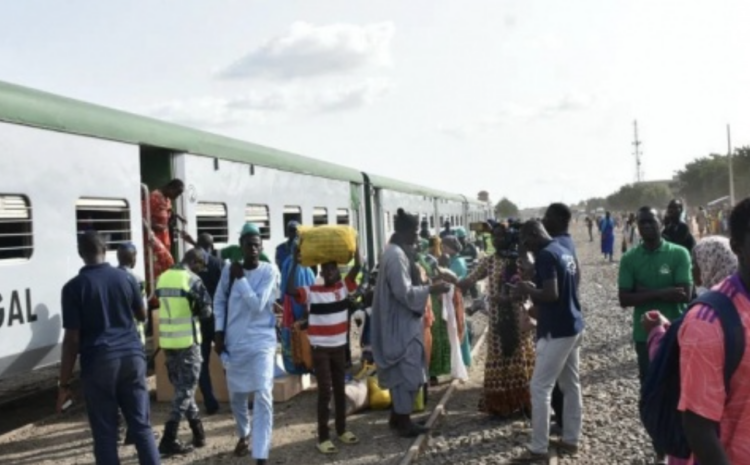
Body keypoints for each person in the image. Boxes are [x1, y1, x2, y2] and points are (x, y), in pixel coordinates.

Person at [58, 232, 160, 465]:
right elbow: (142, 315)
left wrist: (64, 384)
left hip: (99, 363)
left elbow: (72, 339)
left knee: (105, 435)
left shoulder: (73, 288)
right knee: (141, 427)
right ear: (105, 250)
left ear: (80, 253)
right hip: (132, 359)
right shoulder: (126, 279)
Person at [618, 206, 692, 464]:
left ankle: (683, 444)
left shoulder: (679, 253)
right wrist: (663, 292)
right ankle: (660, 447)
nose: (646, 226)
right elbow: (624, 298)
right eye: (642, 222)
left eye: (651, 221)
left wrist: (644, 291)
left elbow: (684, 293)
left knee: (682, 389)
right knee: (651, 392)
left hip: (678, 333)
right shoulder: (630, 258)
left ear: (661, 223)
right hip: (644, 336)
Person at [371, 208, 451, 438]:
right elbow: (404, 293)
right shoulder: (396, 256)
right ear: (405, 231)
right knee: (407, 372)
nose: (418, 238)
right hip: (399, 324)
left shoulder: (396, 251)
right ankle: (403, 423)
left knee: (408, 370)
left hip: (403, 322)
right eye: (415, 232)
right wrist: (431, 289)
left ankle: (398, 418)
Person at [443, 222, 536, 418]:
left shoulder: (521, 260)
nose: (496, 240)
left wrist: (509, 298)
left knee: (518, 357)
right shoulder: (490, 261)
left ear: (510, 238)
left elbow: (531, 285)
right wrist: (450, 278)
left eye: (501, 236)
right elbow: (469, 280)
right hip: (496, 322)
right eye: (494, 236)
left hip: (517, 321)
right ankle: (501, 405)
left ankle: (524, 403)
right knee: (498, 360)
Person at [516, 220, 584, 460]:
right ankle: (571, 439)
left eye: (526, 241)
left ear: (535, 234)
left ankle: (538, 447)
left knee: (539, 387)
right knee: (570, 384)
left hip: (557, 329)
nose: (527, 247)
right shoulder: (563, 250)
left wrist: (526, 288)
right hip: (573, 324)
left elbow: (551, 293)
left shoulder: (545, 255)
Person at [214, 223, 279, 465]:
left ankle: (260, 455)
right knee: (237, 397)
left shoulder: (268, 271)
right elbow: (219, 300)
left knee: (263, 394)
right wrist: (219, 332)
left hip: (262, 341)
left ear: (261, 246)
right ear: (240, 246)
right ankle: (244, 434)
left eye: (256, 244)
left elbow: (258, 304)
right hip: (235, 341)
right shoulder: (228, 270)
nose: (253, 248)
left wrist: (240, 279)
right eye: (248, 243)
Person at [287, 245, 362, 454]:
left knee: (340, 389)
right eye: (325, 270)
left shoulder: (343, 288)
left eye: (333, 269)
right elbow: (290, 290)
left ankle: (341, 429)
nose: (329, 272)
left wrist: (356, 248)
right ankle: (322, 437)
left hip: (339, 348)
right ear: (320, 273)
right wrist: (294, 262)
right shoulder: (312, 292)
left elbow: (359, 266)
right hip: (320, 349)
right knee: (325, 391)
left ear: (338, 271)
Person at [155, 249, 212, 456]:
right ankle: (168, 438)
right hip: (188, 342)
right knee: (185, 391)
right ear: (195, 261)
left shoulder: (162, 278)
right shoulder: (192, 280)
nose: (202, 270)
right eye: (201, 265)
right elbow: (206, 311)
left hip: (168, 343)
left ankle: (199, 434)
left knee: (182, 389)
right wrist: (195, 310)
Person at [542, 203, 581, 435]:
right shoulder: (567, 243)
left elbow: (550, 292)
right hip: (571, 318)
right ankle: (570, 430)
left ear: (558, 219)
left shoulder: (554, 247)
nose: (544, 220)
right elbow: (577, 276)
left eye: (547, 216)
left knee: (544, 384)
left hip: (558, 323)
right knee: (569, 381)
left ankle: (543, 439)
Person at [115, 243, 149, 446]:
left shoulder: (111, 277)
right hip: (135, 339)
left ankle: (118, 429)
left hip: (117, 340)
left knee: (117, 388)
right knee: (136, 388)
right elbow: (142, 314)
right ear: (133, 258)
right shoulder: (136, 279)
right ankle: (134, 432)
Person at [195, 233, 223, 415]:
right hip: (218, 319)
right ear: (211, 246)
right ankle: (239, 397)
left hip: (200, 320)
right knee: (228, 359)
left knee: (202, 362)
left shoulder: (192, 265)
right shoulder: (217, 263)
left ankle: (210, 402)